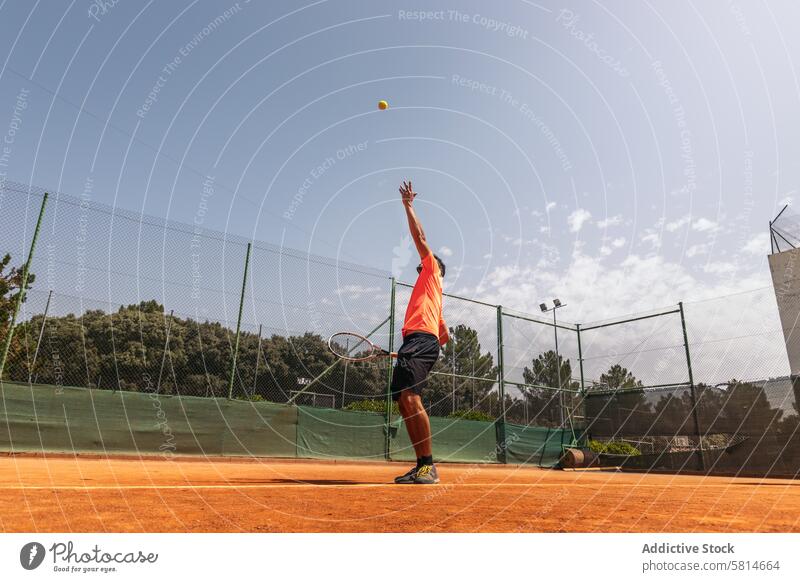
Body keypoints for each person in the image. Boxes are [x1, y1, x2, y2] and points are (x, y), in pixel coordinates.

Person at [392, 180, 449, 485]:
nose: (420, 264)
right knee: (403, 400)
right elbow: (443, 334)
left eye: (425, 262)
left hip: (419, 342)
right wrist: (408, 350)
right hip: (415, 342)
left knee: (411, 398)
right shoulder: (431, 296)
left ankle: (429, 466)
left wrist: (408, 205)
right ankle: (420, 465)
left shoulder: (432, 271)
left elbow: (420, 236)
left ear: (436, 267)